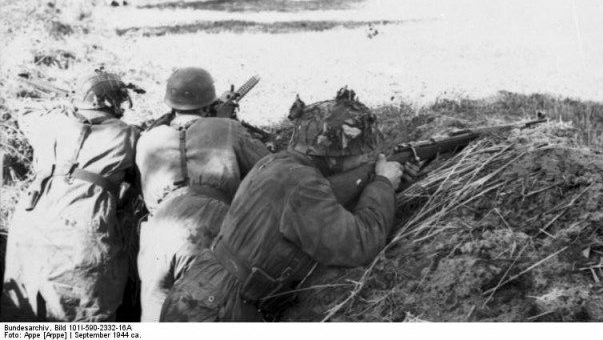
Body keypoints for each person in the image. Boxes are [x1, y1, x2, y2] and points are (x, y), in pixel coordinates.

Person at [160, 87, 410, 322]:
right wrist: (382, 183)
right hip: (216, 309)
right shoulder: (303, 185)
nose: (366, 158)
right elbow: (361, 243)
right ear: (335, 156)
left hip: (198, 294)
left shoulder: (276, 164)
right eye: (362, 153)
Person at [1, 69, 140, 322]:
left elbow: (25, 112)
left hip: (31, 224)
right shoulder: (128, 135)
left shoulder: (50, 121)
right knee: (85, 310)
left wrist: (65, 105)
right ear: (112, 102)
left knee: (26, 309)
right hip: (83, 232)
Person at [135, 67, 270, 322]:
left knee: (154, 316)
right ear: (209, 102)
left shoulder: (147, 139)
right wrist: (230, 124)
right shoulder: (227, 128)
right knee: (212, 313)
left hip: (157, 230)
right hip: (208, 223)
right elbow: (270, 169)